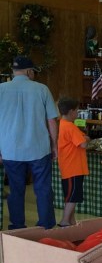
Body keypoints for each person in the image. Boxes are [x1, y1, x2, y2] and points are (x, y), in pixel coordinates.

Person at [0, 55, 59, 230]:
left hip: (10, 149)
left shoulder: (1, 89)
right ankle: (46, 226)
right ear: (28, 71)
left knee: (16, 189)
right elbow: (52, 121)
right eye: (33, 71)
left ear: (14, 71)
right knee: (43, 188)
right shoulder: (42, 89)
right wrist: (54, 145)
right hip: (39, 149)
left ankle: (17, 226)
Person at [57, 96, 89, 227]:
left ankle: (71, 221)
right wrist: (86, 138)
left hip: (68, 166)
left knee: (70, 195)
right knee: (72, 196)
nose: (78, 113)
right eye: (77, 111)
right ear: (71, 112)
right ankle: (65, 221)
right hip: (73, 167)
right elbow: (83, 144)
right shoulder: (70, 127)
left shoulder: (62, 124)